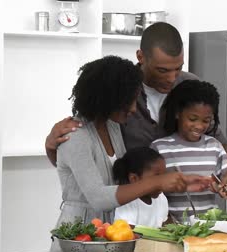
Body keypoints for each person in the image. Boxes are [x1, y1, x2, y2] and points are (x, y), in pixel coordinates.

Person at [45, 22, 227, 199]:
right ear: (140, 56)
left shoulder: (190, 85)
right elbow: (82, 156)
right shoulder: (118, 93)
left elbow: (218, 141)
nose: (172, 78)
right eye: (162, 70)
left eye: (178, 68)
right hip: (132, 206)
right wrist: (51, 145)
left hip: (182, 206)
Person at [54, 55, 210, 228]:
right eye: (128, 101)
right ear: (108, 98)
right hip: (78, 235)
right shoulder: (75, 136)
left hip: (111, 236)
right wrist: (158, 181)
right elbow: (99, 199)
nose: (134, 108)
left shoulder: (112, 126)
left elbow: (128, 176)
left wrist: (179, 180)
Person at [151, 80, 227, 222]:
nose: (199, 126)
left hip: (210, 227)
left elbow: (224, 179)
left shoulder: (215, 147)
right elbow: (152, 191)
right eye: (193, 119)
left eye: (206, 121)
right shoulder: (160, 148)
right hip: (171, 228)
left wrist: (224, 186)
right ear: (177, 113)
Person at [112, 147, 169, 228]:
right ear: (134, 179)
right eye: (157, 177)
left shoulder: (161, 198)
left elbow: (164, 227)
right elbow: (128, 233)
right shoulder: (127, 203)